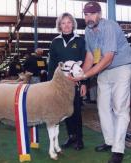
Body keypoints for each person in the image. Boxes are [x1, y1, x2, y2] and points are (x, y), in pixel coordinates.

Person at [71, 1, 131, 162]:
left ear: (99, 14)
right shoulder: (88, 30)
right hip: (104, 70)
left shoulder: (109, 27)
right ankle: (110, 141)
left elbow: (108, 57)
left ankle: (118, 150)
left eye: (92, 13)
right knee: (103, 107)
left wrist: (85, 77)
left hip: (121, 67)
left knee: (120, 108)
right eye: (86, 14)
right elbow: (91, 57)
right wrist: (80, 75)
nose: (89, 17)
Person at [48, 12, 88, 150]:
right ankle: (71, 136)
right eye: (63, 23)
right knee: (64, 111)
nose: (66, 25)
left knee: (76, 110)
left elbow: (86, 64)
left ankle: (79, 139)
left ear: (73, 24)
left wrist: (84, 83)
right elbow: (52, 65)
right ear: (60, 25)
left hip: (75, 83)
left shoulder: (80, 41)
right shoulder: (55, 42)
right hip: (60, 85)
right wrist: (50, 84)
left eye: (69, 22)